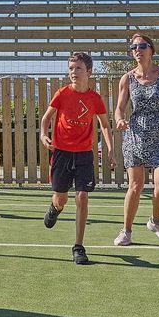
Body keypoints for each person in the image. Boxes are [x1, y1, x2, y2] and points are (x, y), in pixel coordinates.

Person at [40, 52, 115, 265]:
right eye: (71, 68)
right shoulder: (62, 93)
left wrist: (110, 150)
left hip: (83, 154)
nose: (73, 72)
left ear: (89, 72)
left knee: (82, 196)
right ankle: (55, 208)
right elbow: (46, 118)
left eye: (78, 68)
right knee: (61, 199)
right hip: (62, 153)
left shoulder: (95, 98)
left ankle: (78, 246)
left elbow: (105, 125)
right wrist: (43, 135)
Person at [113, 34, 159, 246]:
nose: (137, 49)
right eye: (133, 46)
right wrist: (119, 120)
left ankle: (156, 221)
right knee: (135, 185)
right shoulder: (127, 78)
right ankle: (126, 231)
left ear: (151, 49)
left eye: (142, 46)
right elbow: (119, 108)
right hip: (135, 137)